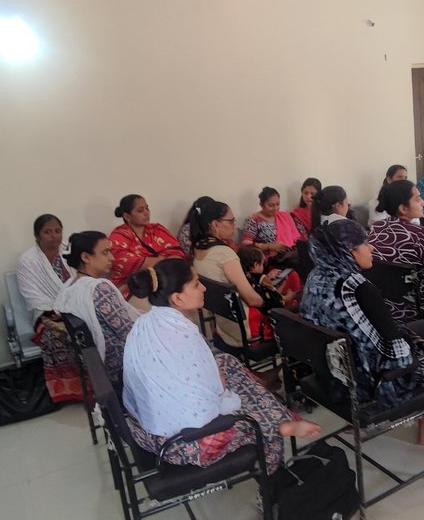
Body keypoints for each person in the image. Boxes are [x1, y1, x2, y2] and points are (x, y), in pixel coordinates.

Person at [300, 218, 424, 446]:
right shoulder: (359, 288)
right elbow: (398, 356)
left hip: (330, 375)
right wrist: (412, 343)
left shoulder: (315, 277)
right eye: (365, 244)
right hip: (368, 385)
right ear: (349, 251)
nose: (372, 248)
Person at [122, 258, 322, 475]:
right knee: (250, 410)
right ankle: (273, 469)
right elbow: (211, 400)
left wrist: (219, 380)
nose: (204, 288)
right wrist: (222, 386)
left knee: (226, 362)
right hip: (185, 442)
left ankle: (274, 411)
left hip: (151, 426)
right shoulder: (182, 333)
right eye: (197, 284)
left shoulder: (145, 322)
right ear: (177, 298)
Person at [56, 231, 140, 387]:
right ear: (86, 257)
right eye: (105, 252)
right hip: (120, 363)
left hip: (97, 364)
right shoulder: (98, 288)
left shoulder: (69, 287)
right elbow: (129, 332)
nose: (112, 258)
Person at [16, 214, 80, 403]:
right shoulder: (27, 261)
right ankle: (73, 389)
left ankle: (103, 383)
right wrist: (61, 309)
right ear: (37, 236)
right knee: (59, 336)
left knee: (98, 326)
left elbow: (81, 280)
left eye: (58, 231)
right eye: (47, 232)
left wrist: (76, 304)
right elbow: (32, 297)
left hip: (75, 307)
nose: (54, 236)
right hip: (46, 314)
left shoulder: (69, 252)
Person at [189, 198, 269, 349]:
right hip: (243, 330)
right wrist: (271, 302)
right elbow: (252, 300)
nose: (235, 225)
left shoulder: (198, 248)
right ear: (215, 224)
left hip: (223, 326)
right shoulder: (224, 253)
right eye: (231, 221)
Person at [367, 179, 424, 322]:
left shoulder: (376, 229)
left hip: (380, 303)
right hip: (415, 306)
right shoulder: (420, 234)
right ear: (403, 208)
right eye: (418, 199)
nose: (423, 203)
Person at [108, 194, 187, 299]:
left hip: (162, 283)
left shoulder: (157, 229)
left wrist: (153, 262)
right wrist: (165, 260)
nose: (146, 213)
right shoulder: (118, 237)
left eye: (147, 208)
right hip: (130, 287)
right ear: (127, 216)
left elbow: (178, 257)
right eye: (140, 210)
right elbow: (133, 265)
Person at [237, 244, 301, 340]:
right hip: (260, 327)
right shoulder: (255, 284)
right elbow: (276, 303)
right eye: (262, 264)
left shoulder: (243, 279)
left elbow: (270, 296)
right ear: (255, 265)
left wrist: (276, 287)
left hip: (242, 325)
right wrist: (289, 297)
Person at [241, 187, 302, 261]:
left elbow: (296, 239)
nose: (275, 208)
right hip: (269, 261)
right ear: (261, 205)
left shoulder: (285, 216)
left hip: (290, 256)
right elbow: (246, 246)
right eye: (271, 205)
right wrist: (269, 246)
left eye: (277, 204)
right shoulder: (253, 220)